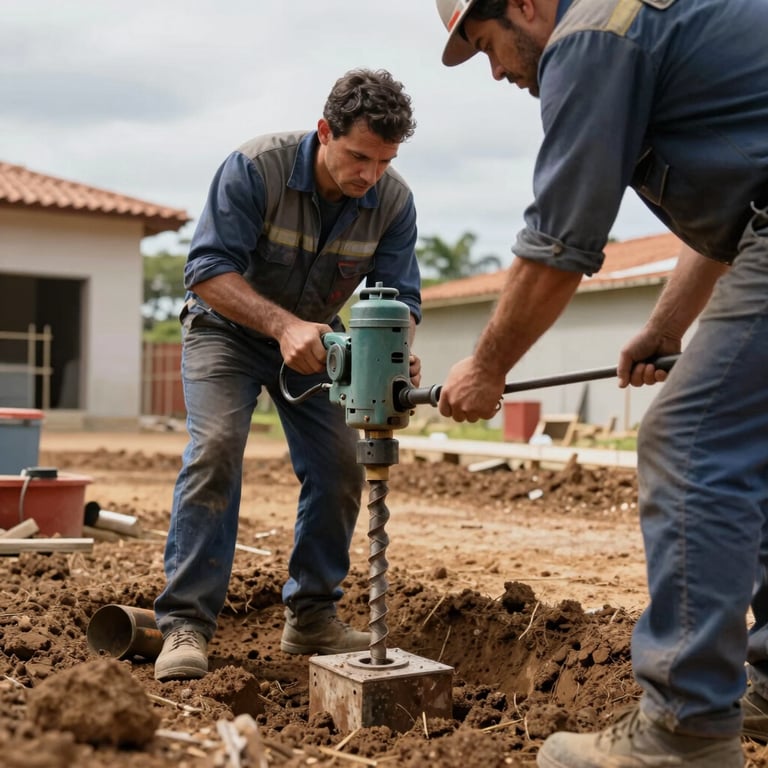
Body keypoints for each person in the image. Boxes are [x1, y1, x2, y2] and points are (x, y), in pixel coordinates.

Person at [434, 0, 768, 765]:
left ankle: (684, 731)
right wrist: (666, 327)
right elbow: (740, 212)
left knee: (689, 441)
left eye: (489, 46)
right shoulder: (642, 22)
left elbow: (559, 243)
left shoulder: (591, 39)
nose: (498, 72)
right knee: (751, 446)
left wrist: (487, 367)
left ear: (522, 5)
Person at [153, 68, 422, 682]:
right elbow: (207, 270)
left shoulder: (394, 200)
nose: (369, 176)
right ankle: (186, 624)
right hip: (226, 330)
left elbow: (399, 297)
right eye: (358, 157)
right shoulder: (256, 168)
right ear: (325, 132)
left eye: (383, 161)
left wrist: (391, 355)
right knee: (217, 447)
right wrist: (282, 327)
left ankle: (312, 617)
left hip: (319, 344)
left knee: (342, 461)